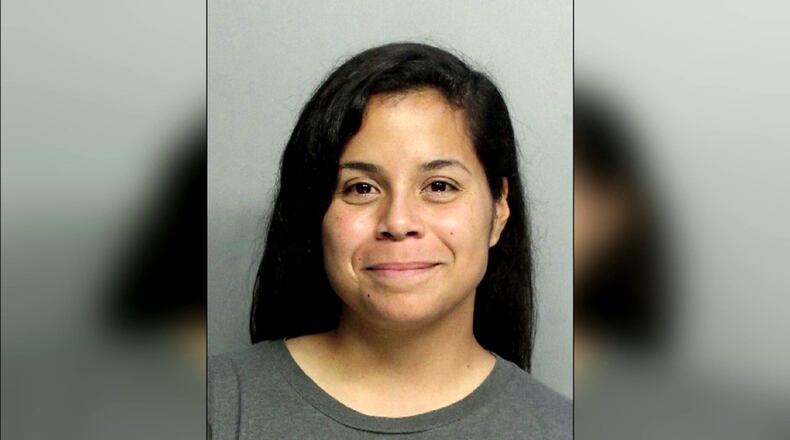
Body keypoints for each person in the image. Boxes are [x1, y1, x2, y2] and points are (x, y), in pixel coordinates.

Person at [209, 42, 571, 439]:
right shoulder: (214, 406)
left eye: (439, 186)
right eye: (361, 188)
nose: (398, 222)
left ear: (499, 209)